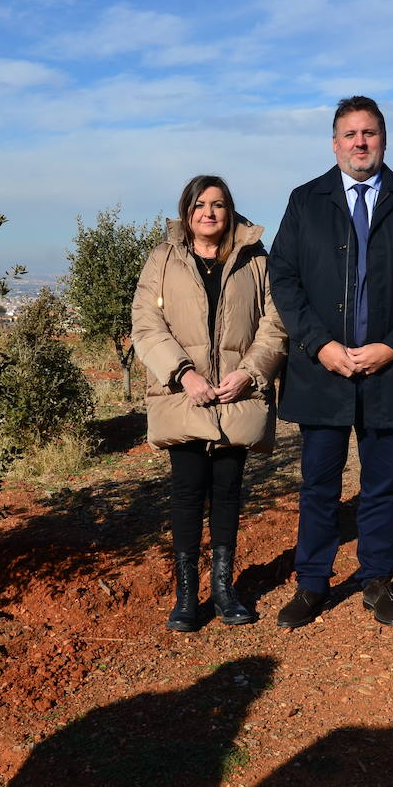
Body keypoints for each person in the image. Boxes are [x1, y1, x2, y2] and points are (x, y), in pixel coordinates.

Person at [267, 96, 393, 628]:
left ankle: (378, 580)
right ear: (335, 142)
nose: (360, 142)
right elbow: (284, 279)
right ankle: (312, 583)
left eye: (369, 133)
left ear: (383, 140)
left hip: (391, 372)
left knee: (384, 483)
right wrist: (320, 345)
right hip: (324, 371)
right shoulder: (305, 201)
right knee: (319, 484)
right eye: (349, 134)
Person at [131, 175, 287, 632]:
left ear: (230, 210)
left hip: (236, 395)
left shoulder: (256, 259)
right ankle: (186, 595)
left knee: (227, 492)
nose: (209, 213)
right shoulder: (162, 259)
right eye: (200, 204)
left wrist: (250, 373)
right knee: (186, 493)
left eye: (218, 205)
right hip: (183, 395)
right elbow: (146, 323)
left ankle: (223, 588)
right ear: (187, 210)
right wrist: (184, 373)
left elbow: (274, 323)